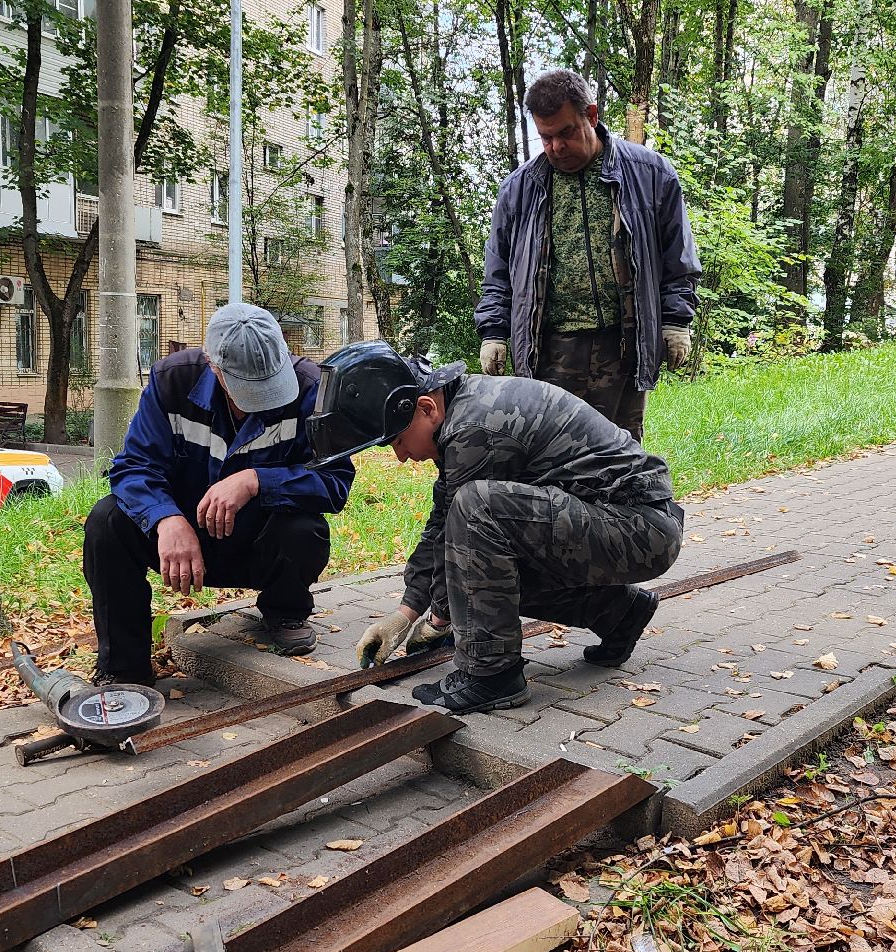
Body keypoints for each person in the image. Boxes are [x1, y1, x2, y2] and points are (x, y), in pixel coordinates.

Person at [308, 341, 683, 713]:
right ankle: (618, 613)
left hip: (638, 528)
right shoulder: (462, 413)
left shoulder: (476, 429)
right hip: (625, 526)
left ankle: (492, 675)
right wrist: (405, 614)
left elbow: (463, 533)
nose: (401, 456)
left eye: (398, 440)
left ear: (426, 408)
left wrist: (439, 620)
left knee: (476, 509)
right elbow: (443, 525)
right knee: (488, 566)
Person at [84, 304, 354, 682]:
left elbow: (335, 481)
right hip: (183, 544)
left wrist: (256, 480)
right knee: (107, 520)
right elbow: (134, 467)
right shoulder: (172, 381)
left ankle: (285, 611)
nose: (261, 399)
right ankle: (124, 671)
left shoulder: (310, 389)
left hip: (258, 545)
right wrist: (166, 519)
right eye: (248, 388)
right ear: (214, 367)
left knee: (305, 529)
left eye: (269, 384)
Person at [475, 68, 702, 442]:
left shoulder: (650, 174)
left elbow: (678, 258)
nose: (556, 147)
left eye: (566, 133)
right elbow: (498, 272)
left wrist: (676, 322)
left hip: (623, 346)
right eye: (546, 137)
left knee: (621, 454)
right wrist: (494, 333)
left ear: (592, 116)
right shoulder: (519, 189)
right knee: (554, 458)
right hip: (549, 351)